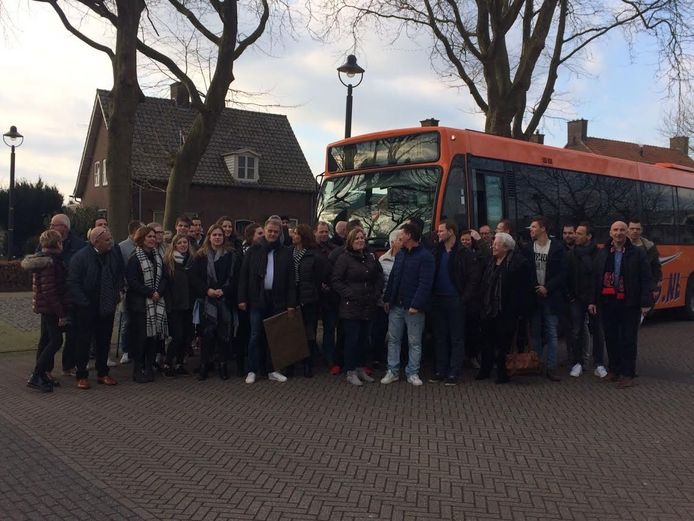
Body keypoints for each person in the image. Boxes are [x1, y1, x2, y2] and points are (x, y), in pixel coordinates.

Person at [589, 221, 652, 388]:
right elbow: (596, 278)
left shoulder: (637, 253)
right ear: (610, 233)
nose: (619, 233)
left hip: (629, 303)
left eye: (622, 230)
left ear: (627, 233)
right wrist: (592, 301)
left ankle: (628, 374)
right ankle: (614, 370)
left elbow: (646, 278)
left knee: (628, 339)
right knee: (610, 338)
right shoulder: (602, 253)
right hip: (608, 302)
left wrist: (645, 302)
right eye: (615, 230)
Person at [238, 218, 297, 384]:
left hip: (278, 299)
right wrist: (242, 298)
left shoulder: (286, 252)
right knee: (255, 335)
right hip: (257, 299)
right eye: (269, 231)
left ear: (279, 234)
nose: (272, 234)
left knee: (275, 336)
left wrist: (291, 303)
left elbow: (291, 281)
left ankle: (273, 369)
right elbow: (244, 276)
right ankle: (252, 369)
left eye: (275, 232)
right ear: (264, 230)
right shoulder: (253, 250)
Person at [68, 227, 125, 389]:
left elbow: (119, 273)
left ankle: (103, 372)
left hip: (107, 302)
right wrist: (83, 302)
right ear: (95, 241)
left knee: (104, 340)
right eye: (107, 240)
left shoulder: (114, 253)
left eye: (111, 238)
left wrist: (117, 292)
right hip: (87, 304)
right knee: (83, 341)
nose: (111, 242)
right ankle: (81, 375)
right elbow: (73, 282)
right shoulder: (80, 257)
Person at [381, 223, 435, 386]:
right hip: (397, 305)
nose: (399, 237)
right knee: (393, 339)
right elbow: (393, 278)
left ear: (410, 235)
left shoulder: (426, 257)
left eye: (402, 233)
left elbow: (425, 283)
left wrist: (416, 304)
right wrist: (387, 299)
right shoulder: (401, 254)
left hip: (414, 308)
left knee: (414, 341)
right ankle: (392, 371)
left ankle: (412, 372)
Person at [431, 222, 481, 385]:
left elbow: (473, 278)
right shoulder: (436, 251)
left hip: (455, 299)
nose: (438, 234)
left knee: (456, 337)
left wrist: (464, 298)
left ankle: (454, 371)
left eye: (441, 231)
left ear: (451, 232)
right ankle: (441, 369)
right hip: (438, 299)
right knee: (440, 336)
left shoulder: (464, 253)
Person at [332, 228, 383, 386]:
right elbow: (336, 280)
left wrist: (376, 293)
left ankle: (360, 367)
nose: (360, 241)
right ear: (350, 241)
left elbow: (378, 277)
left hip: (368, 304)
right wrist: (350, 294)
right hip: (351, 306)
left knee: (363, 340)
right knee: (351, 340)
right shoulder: (344, 258)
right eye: (357, 239)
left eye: (362, 238)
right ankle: (350, 370)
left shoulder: (370, 257)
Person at [476, 233, 529, 383]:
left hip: (506, 310)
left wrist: (517, 311)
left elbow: (521, 290)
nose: (493, 246)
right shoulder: (490, 261)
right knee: (486, 341)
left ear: (506, 247)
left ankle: (502, 372)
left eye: (497, 244)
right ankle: (485, 369)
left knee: (503, 343)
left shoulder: (518, 263)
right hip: (488, 309)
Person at [190, 224, 241, 381]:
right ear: (209, 237)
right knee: (207, 334)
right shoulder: (200, 256)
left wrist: (224, 291)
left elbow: (235, 277)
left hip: (225, 300)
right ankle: (204, 365)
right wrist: (207, 290)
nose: (217, 237)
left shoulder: (231, 255)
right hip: (207, 302)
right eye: (214, 235)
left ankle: (223, 365)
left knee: (223, 335)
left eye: (220, 235)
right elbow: (194, 278)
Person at [22, 230, 69, 392]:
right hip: (51, 309)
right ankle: (37, 374)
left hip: (45, 307)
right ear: (57, 244)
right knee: (56, 341)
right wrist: (61, 313)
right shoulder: (51, 262)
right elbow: (50, 291)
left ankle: (41, 374)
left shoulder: (44, 260)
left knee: (46, 340)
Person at [126, 226, 168, 383]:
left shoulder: (158, 257)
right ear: (141, 239)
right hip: (140, 305)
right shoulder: (134, 258)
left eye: (153, 236)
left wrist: (159, 292)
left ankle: (149, 367)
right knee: (141, 338)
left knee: (153, 338)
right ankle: (138, 369)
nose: (152, 239)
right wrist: (150, 293)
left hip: (156, 302)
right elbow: (132, 281)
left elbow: (164, 277)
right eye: (149, 236)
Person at [528, 217, 567, 382]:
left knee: (551, 332)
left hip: (552, 297)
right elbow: (526, 271)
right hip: (534, 297)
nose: (531, 230)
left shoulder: (557, 248)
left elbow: (563, 273)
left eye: (534, 227)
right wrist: (535, 286)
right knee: (535, 333)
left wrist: (547, 287)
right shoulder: (529, 248)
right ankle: (537, 363)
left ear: (543, 229)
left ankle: (551, 367)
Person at [567, 222, 607, 378]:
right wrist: (570, 296)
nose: (576, 235)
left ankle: (599, 364)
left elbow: (599, 278)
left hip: (595, 299)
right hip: (576, 299)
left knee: (598, 331)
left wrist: (594, 300)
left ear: (589, 237)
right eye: (576, 232)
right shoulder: (571, 254)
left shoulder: (599, 254)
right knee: (576, 331)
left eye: (580, 233)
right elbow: (567, 277)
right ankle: (578, 363)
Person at [291, 224, 329, 377]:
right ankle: (293, 363)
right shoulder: (290, 253)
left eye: (296, 233)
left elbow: (320, 277)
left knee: (309, 332)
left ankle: (308, 364)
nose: (293, 235)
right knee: (293, 333)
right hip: (293, 298)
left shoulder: (315, 256)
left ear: (303, 236)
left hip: (309, 299)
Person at [162, 233, 194, 377]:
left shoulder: (192, 261)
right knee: (177, 336)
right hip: (175, 306)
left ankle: (180, 363)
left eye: (185, 242)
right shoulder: (169, 263)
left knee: (187, 336)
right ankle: (168, 363)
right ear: (174, 245)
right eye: (180, 243)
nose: (183, 245)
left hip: (188, 305)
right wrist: (169, 304)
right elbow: (166, 285)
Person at [117, 220, 144, 364]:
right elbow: (120, 269)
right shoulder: (122, 247)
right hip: (128, 290)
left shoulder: (145, 246)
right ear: (134, 232)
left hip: (142, 290)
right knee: (127, 321)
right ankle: (125, 350)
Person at [314, 221, 339, 372]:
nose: (323, 234)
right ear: (314, 232)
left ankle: (329, 357)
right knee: (310, 329)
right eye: (321, 232)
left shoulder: (334, 250)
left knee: (329, 328)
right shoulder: (309, 249)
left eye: (325, 232)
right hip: (314, 296)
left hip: (330, 296)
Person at [627, 219, 663, 304]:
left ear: (641, 230)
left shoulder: (649, 247)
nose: (635, 231)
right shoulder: (620, 245)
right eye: (632, 228)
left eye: (637, 229)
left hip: (643, 289)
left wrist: (655, 288)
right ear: (627, 230)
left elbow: (656, 268)